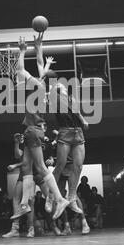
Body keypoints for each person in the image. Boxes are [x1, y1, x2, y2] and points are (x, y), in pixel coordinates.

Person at [11, 35, 69, 221]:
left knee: (42, 168)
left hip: (33, 130)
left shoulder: (35, 85)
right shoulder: (46, 90)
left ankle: (59, 199)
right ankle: (24, 205)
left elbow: (20, 69)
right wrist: (38, 47)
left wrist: (22, 51)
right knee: (27, 166)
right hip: (34, 130)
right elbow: (39, 64)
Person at [46, 83, 89, 215]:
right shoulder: (54, 98)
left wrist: (83, 120)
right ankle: (50, 195)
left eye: (62, 84)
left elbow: (76, 111)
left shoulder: (71, 98)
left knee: (79, 166)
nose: (61, 85)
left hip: (78, 132)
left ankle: (71, 198)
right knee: (60, 165)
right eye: (58, 85)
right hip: (65, 132)